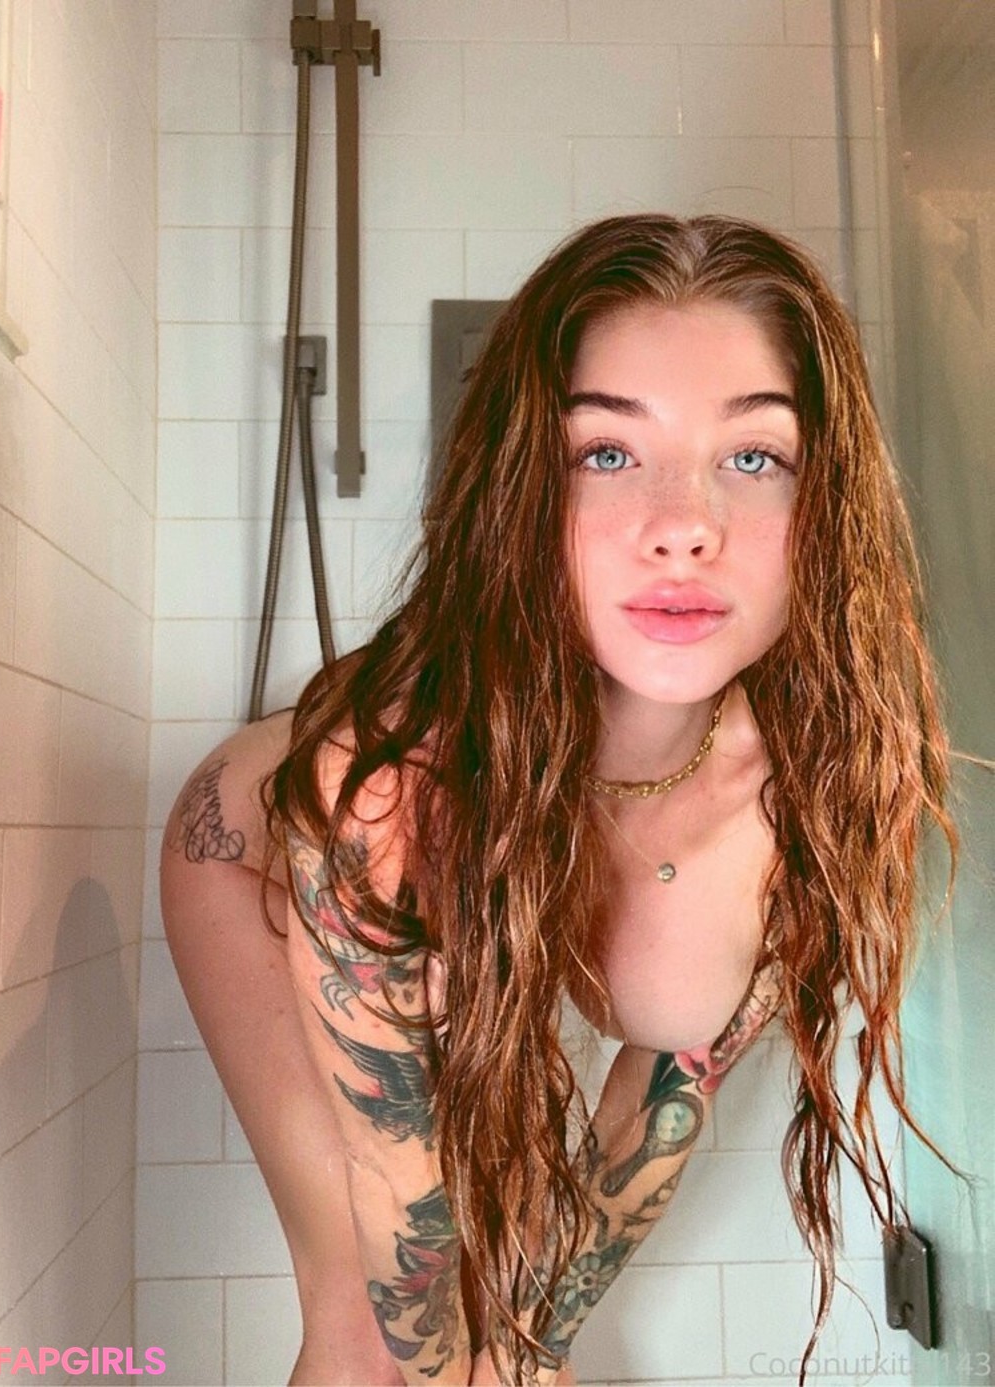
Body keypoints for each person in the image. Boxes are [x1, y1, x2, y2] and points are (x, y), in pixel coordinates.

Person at [160, 215, 956, 1386]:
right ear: (524, 486)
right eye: (607, 452)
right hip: (254, 862)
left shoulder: (813, 786)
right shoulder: (385, 796)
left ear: (825, 500)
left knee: (525, 1343)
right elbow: (405, 1232)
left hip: (474, 874)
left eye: (754, 456)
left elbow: (662, 1106)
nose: (685, 528)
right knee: (368, 1333)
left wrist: (535, 1349)